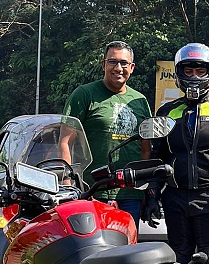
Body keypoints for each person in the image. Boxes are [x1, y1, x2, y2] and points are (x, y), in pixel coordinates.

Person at [143, 43, 209, 264]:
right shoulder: (166, 112)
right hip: (174, 198)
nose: (194, 76)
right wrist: (152, 194)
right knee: (177, 261)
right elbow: (158, 157)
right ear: (179, 73)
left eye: (200, 71)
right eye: (188, 71)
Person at [60, 40, 151, 228]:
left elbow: (145, 149)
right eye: (112, 62)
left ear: (132, 67)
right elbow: (65, 142)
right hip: (91, 191)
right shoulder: (84, 94)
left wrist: (145, 191)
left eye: (124, 63)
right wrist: (68, 184)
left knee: (127, 253)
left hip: (129, 195)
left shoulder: (140, 101)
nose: (118, 68)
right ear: (103, 64)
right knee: (94, 252)